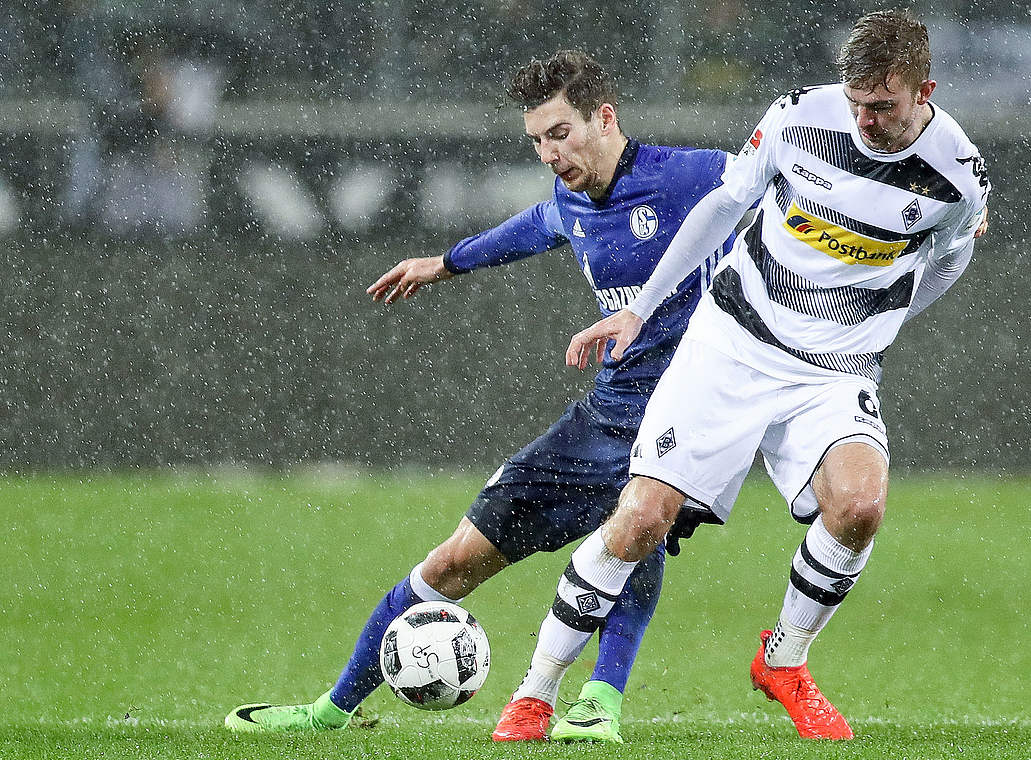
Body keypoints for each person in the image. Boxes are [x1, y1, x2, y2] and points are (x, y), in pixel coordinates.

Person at [224, 50, 736, 744]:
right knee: (453, 561)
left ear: (604, 118)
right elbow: (530, 228)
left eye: (560, 133)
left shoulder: (692, 177)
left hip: (683, 415)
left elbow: (780, 185)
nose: (549, 153)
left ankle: (599, 702)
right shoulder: (571, 200)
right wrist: (444, 263)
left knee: (637, 527)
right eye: (536, 141)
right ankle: (330, 712)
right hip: (603, 416)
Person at [518, 9, 990, 740]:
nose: (865, 119)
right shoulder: (799, 118)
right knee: (642, 516)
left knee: (860, 507)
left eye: (883, 106)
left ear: (922, 89)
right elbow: (725, 203)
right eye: (856, 100)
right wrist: (641, 311)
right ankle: (536, 692)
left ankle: (786, 661)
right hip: (734, 341)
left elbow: (952, 256)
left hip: (834, 370)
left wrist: (881, 325)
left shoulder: (957, 175)